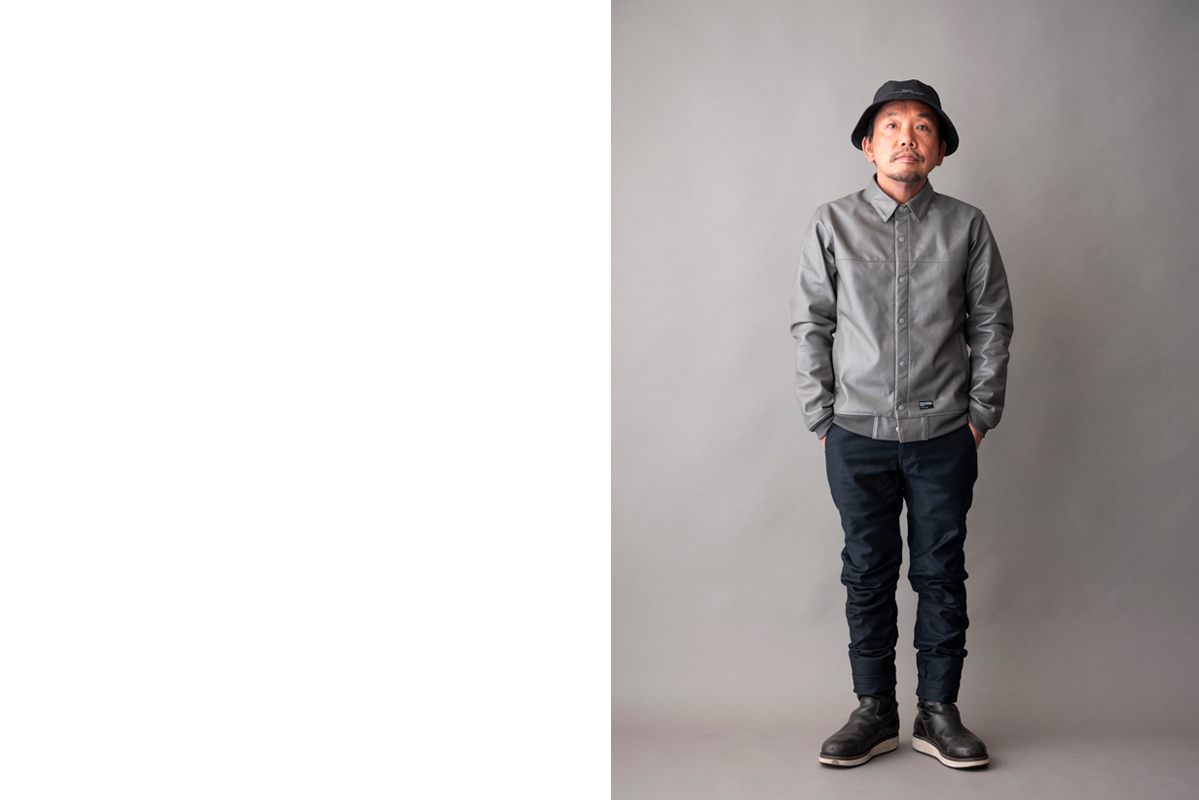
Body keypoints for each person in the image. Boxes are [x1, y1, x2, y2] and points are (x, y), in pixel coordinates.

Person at [788, 79, 1013, 769]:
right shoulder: (831, 222)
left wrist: (979, 416)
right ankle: (874, 711)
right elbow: (810, 324)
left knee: (941, 573)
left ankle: (937, 713)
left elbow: (990, 323)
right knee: (866, 572)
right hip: (854, 435)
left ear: (939, 150)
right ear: (867, 145)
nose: (906, 137)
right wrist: (821, 417)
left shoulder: (967, 225)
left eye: (922, 127)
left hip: (944, 435)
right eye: (891, 125)